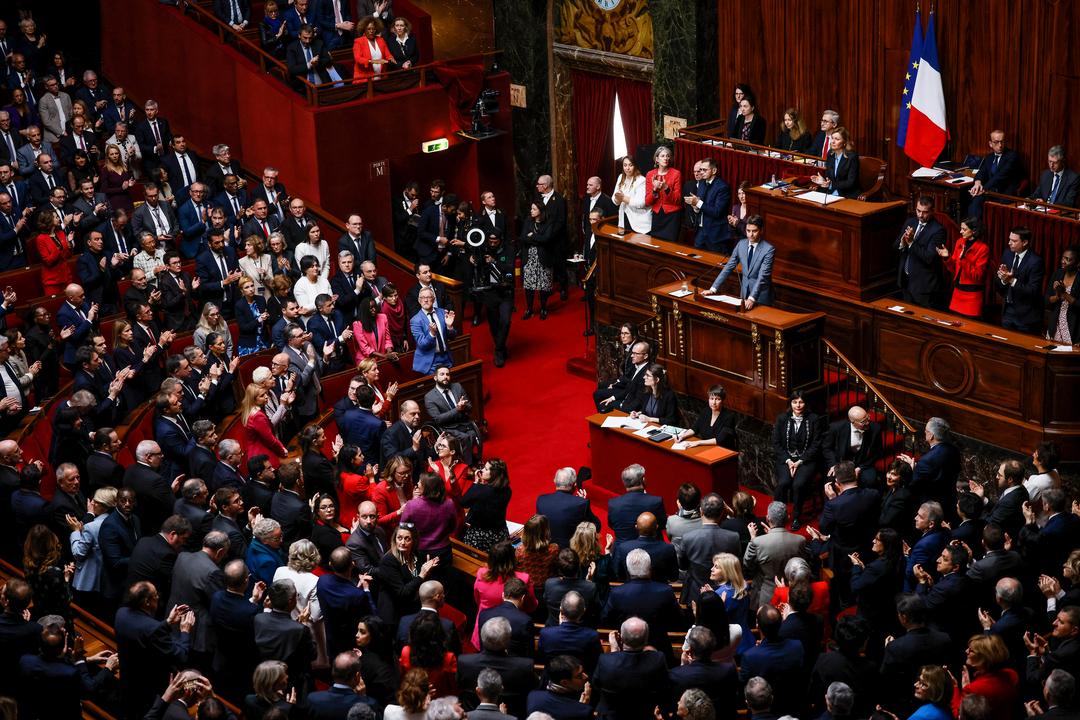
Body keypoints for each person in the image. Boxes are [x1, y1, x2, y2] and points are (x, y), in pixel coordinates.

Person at [771, 390, 823, 529]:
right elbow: (776, 443)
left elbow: (816, 444)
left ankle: (796, 516)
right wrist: (788, 461)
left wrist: (800, 461)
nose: (798, 405)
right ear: (791, 403)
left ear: (805, 403)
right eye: (795, 402)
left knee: (798, 485)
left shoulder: (814, 419)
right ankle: (776, 516)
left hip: (806, 460)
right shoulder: (782, 418)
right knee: (783, 483)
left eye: (801, 402)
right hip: (786, 459)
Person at [707, 214, 774, 308]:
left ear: (761, 230)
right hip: (744, 293)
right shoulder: (741, 244)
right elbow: (729, 267)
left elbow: (762, 276)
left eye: (754, 231)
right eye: (748, 231)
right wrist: (713, 289)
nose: (750, 234)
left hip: (760, 297)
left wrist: (752, 298)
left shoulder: (768, 249)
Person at [950, 635, 1018, 720]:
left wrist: (955, 687)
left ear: (982, 658)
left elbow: (959, 715)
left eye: (971, 650)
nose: (966, 651)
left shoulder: (972, 689)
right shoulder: (1011, 675)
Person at [897, 196, 948, 309]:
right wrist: (903, 242)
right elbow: (896, 245)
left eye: (925, 212)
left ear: (932, 211)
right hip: (906, 282)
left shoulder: (938, 231)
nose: (920, 215)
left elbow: (928, 257)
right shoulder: (911, 222)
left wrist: (911, 242)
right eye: (918, 211)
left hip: (924, 287)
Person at [994, 226, 1045, 335]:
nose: (1009, 243)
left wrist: (1012, 280)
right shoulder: (1007, 254)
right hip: (1007, 310)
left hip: (1026, 315)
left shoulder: (1035, 261)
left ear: (1025, 242)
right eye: (1009, 239)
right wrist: (1003, 280)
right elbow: (998, 282)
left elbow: (1033, 291)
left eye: (1014, 241)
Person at [535, 468, 601, 549]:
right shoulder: (581, 503)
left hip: (546, 550)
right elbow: (596, 526)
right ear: (574, 485)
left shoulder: (541, 500)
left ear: (555, 482)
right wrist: (581, 501)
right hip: (570, 553)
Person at [941, 216, 990, 318]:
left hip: (972, 295)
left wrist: (963, 260)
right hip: (957, 292)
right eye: (961, 228)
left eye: (964, 229)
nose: (960, 231)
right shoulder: (960, 242)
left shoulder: (983, 249)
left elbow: (978, 275)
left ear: (973, 231)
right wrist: (947, 258)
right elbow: (954, 269)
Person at [461, 458, 511, 551]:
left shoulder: (480, 490)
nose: (482, 470)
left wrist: (476, 483)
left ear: (494, 474)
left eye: (486, 469)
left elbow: (463, 503)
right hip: (500, 533)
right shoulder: (507, 490)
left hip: (480, 536)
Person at [683, 158, 732, 254]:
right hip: (700, 232)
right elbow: (700, 207)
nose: (701, 172)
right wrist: (695, 207)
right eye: (700, 170)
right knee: (696, 259)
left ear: (714, 171)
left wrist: (698, 203)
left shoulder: (722, 187)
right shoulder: (701, 183)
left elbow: (717, 212)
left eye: (704, 170)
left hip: (715, 234)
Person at [519, 200, 554, 320]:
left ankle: (544, 308)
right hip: (529, 257)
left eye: (534, 209)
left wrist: (532, 236)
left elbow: (547, 239)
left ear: (540, 211)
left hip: (544, 257)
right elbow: (523, 238)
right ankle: (529, 309)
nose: (531, 211)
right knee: (529, 285)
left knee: (543, 285)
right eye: (531, 209)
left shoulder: (548, 222)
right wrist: (537, 238)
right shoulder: (528, 221)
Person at [411, 286, 457, 373]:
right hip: (430, 362)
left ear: (434, 299)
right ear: (419, 300)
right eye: (422, 298)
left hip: (446, 357)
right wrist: (432, 334)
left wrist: (449, 327)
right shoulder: (415, 320)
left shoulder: (442, 312)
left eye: (428, 297)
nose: (425, 300)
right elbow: (422, 345)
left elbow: (453, 337)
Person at [676, 384, 737, 449]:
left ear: (722, 401)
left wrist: (698, 442)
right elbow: (694, 429)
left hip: (723, 450)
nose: (714, 402)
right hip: (706, 447)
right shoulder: (705, 412)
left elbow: (719, 440)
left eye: (717, 399)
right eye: (711, 398)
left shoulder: (729, 417)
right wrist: (682, 436)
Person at [644, 145, 682, 242]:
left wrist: (666, 188)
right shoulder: (650, 174)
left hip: (672, 216)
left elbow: (678, 200)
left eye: (668, 156)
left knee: (670, 247)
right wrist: (655, 190)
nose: (666, 158)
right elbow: (648, 201)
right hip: (657, 216)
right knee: (656, 244)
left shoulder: (676, 174)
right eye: (662, 156)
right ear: (657, 159)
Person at [811, 127, 860, 198]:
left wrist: (830, 185)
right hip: (831, 192)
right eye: (832, 138)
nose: (833, 141)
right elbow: (829, 177)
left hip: (847, 194)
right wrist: (822, 181)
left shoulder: (852, 157)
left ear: (844, 142)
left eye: (837, 139)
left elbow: (850, 182)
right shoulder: (830, 154)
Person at [1046, 245, 1079, 344]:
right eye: (1063, 258)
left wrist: (1064, 294)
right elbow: (1047, 300)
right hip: (1054, 325)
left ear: (1078, 263)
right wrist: (1057, 295)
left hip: (1073, 328)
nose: (1063, 261)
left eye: (1068, 259)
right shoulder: (1058, 274)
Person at [35, 211, 73, 296]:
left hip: (66, 276)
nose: (59, 219)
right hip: (52, 280)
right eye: (56, 217)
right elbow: (48, 261)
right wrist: (59, 249)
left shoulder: (61, 233)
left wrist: (69, 245)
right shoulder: (40, 239)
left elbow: (68, 256)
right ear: (49, 220)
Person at [613, 154, 650, 234]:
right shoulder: (620, 177)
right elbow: (614, 199)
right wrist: (617, 199)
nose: (627, 168)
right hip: (624, 218)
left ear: (635, 166)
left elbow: (641, 203)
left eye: (630, 165)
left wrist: (623, 198)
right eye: (625, 165)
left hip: (639, 221)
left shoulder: (641, 180)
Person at [353, 17, 392, 82]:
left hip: (381, 77)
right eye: (368, 29)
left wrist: (391, 59)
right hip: (364, 79)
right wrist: (374, 61)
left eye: (373, 29)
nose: (371, 31)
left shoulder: (381, 40)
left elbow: (388, 55)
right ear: (364, 30)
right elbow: (358, 59)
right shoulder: (358, 41)